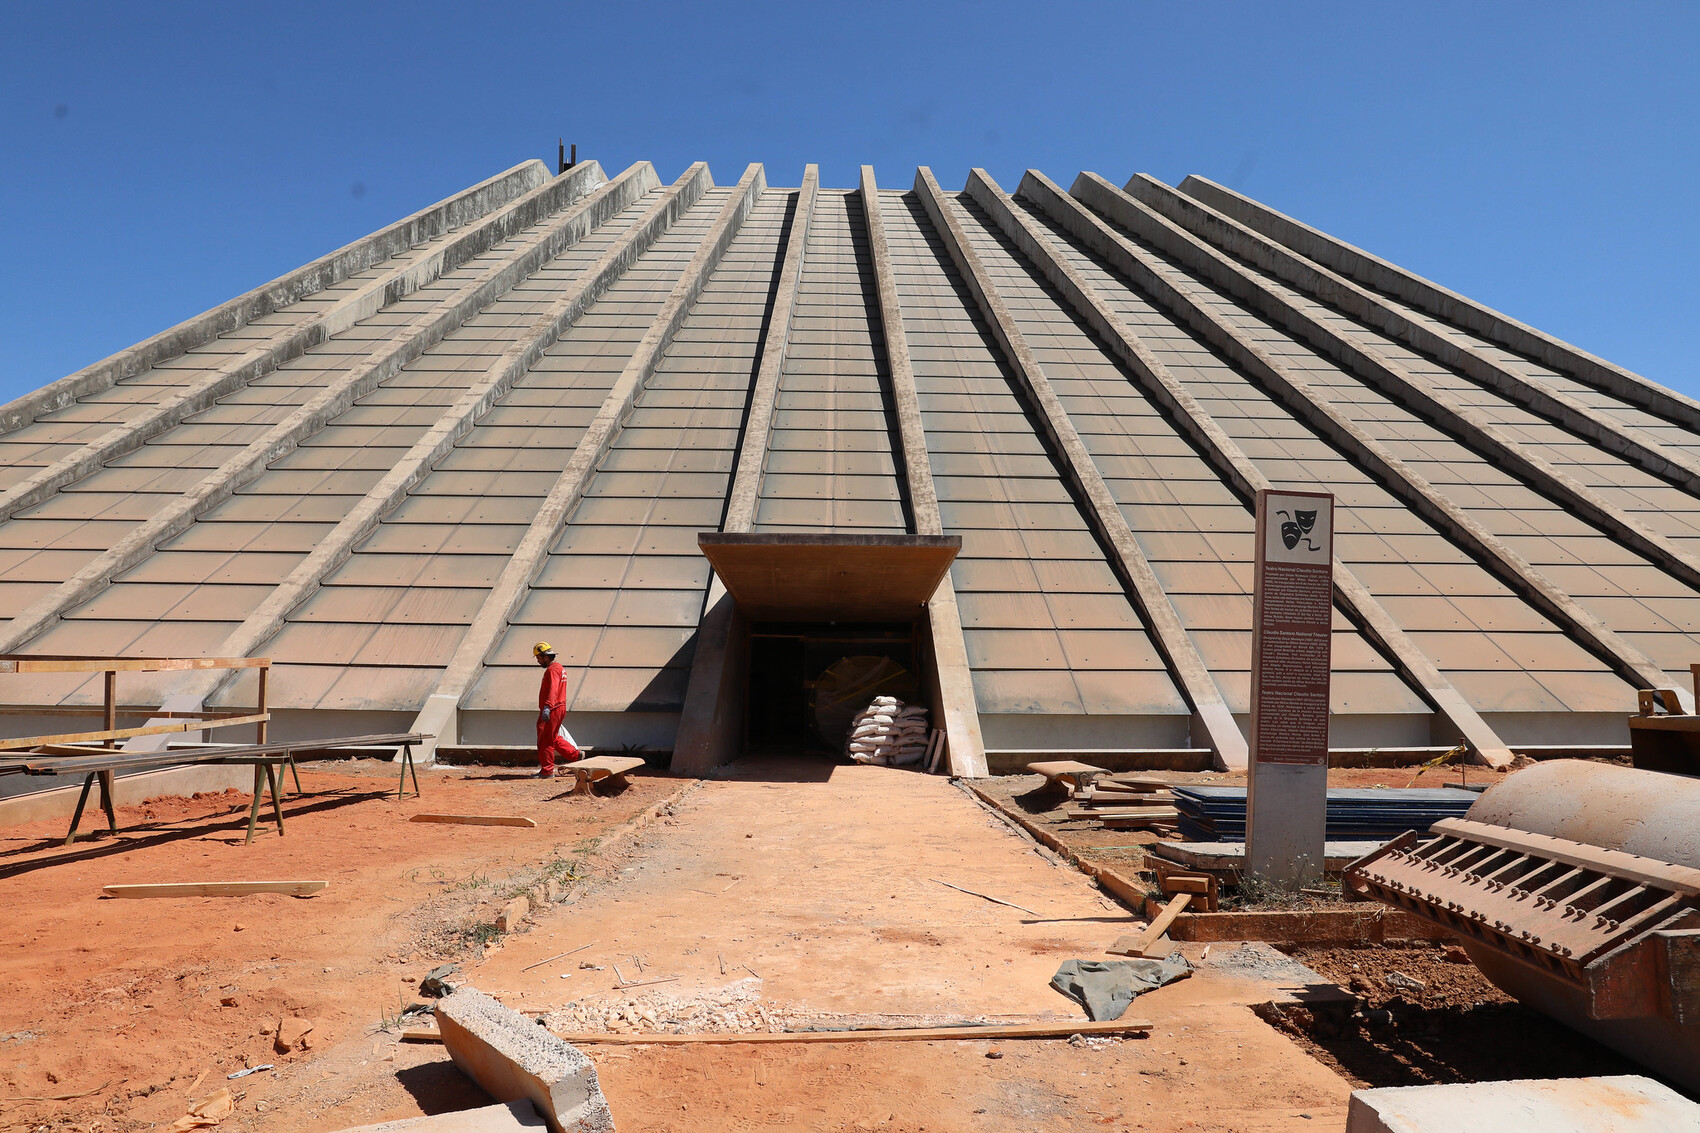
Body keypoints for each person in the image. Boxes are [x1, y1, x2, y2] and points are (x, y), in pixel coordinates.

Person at [533, 641, 581, 778]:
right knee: (553, 737)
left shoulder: (552, 670)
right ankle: (575, 755)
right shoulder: (559, 668)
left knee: (545, 739)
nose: (538, 661)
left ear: (545, 657)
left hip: (553, 708)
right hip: (559, 707)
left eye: (539, 658)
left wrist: (547, 706)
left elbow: (553, 689)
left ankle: (547, 771)